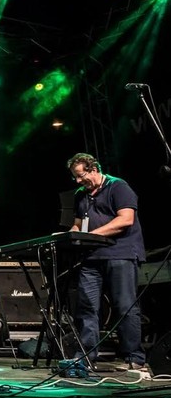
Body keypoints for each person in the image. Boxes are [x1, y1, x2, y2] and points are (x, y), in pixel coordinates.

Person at [66, 153, 147, 371]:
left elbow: (126, 219)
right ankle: (86, 356)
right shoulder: (81, 195)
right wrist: (70, 236)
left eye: (80, 175)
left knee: (125, 306)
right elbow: (78, 224)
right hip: (91, 258)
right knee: (87, 306)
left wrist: (91, 235)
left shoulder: (118, 187)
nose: (78, 181)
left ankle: (134, 357)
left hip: (120, 254)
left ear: (94, 169)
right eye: (75, 177)